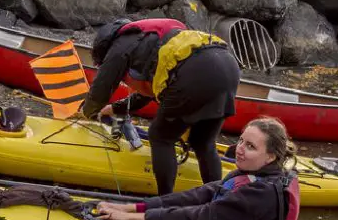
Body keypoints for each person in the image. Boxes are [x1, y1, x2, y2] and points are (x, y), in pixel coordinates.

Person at [82, 18, 241, 196]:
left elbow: (101, 88)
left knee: (160, 136)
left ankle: (165, 200)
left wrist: (85, 112)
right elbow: (146, 95)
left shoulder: (120, 45)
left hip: (197, 71)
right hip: (228, 67)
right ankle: (217, 200)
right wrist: (115, 108)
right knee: (202, 142)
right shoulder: (151, 41)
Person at [96, 117, 299, 220]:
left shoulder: (263, 193)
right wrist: (133, 207)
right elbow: (198, 195)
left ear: (271, 156)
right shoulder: (252, 173)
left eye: (251, 146)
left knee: (180, 219)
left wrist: (130, 218)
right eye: (241, 141)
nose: (239, 150)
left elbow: (201, 219)